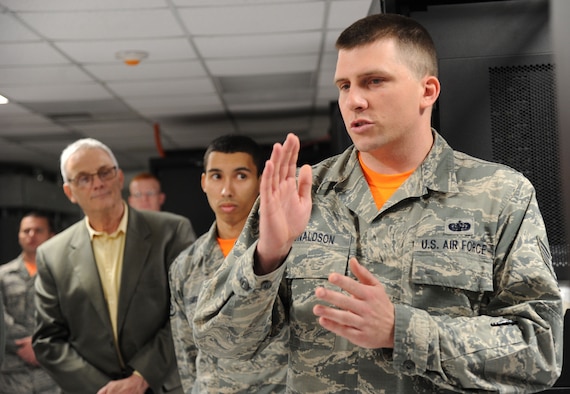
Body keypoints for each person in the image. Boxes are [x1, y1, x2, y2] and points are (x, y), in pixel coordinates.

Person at [192, 13, 564, 393]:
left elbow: (539, 350)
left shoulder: (500, 195)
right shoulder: (302, 193)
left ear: (427, 90)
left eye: (374, 81)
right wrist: (269, 255)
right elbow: (220, 343)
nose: (353, 101)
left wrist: (401, 331)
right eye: (344, 85)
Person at [32, 138, 196, 394]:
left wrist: (141, 378)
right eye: (83, 178)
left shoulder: (170, 232)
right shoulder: (52, 254)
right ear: (69, 192)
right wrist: (104, 389)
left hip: (161, 385)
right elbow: (48, 340)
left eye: (104, 172)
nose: (97, 183)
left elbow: (188, 313)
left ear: (119, 178)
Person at [169, 135, 287, 393]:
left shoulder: (284, 251)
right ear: (203, 182)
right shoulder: (185, 265)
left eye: (241, 176)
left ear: (260, 181)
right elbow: (186, 351)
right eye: (216, 176)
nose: (227, 190)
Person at [0, 212, 59, 393]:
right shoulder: (3, 274)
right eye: (26, 231)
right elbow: (1, 319)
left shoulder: (62, 275)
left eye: (38, 230)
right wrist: (26, 345)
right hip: (13, 375)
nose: (31, 235)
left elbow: (70, 317)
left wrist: (40, 346)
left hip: (52, 372)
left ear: (51, 235)